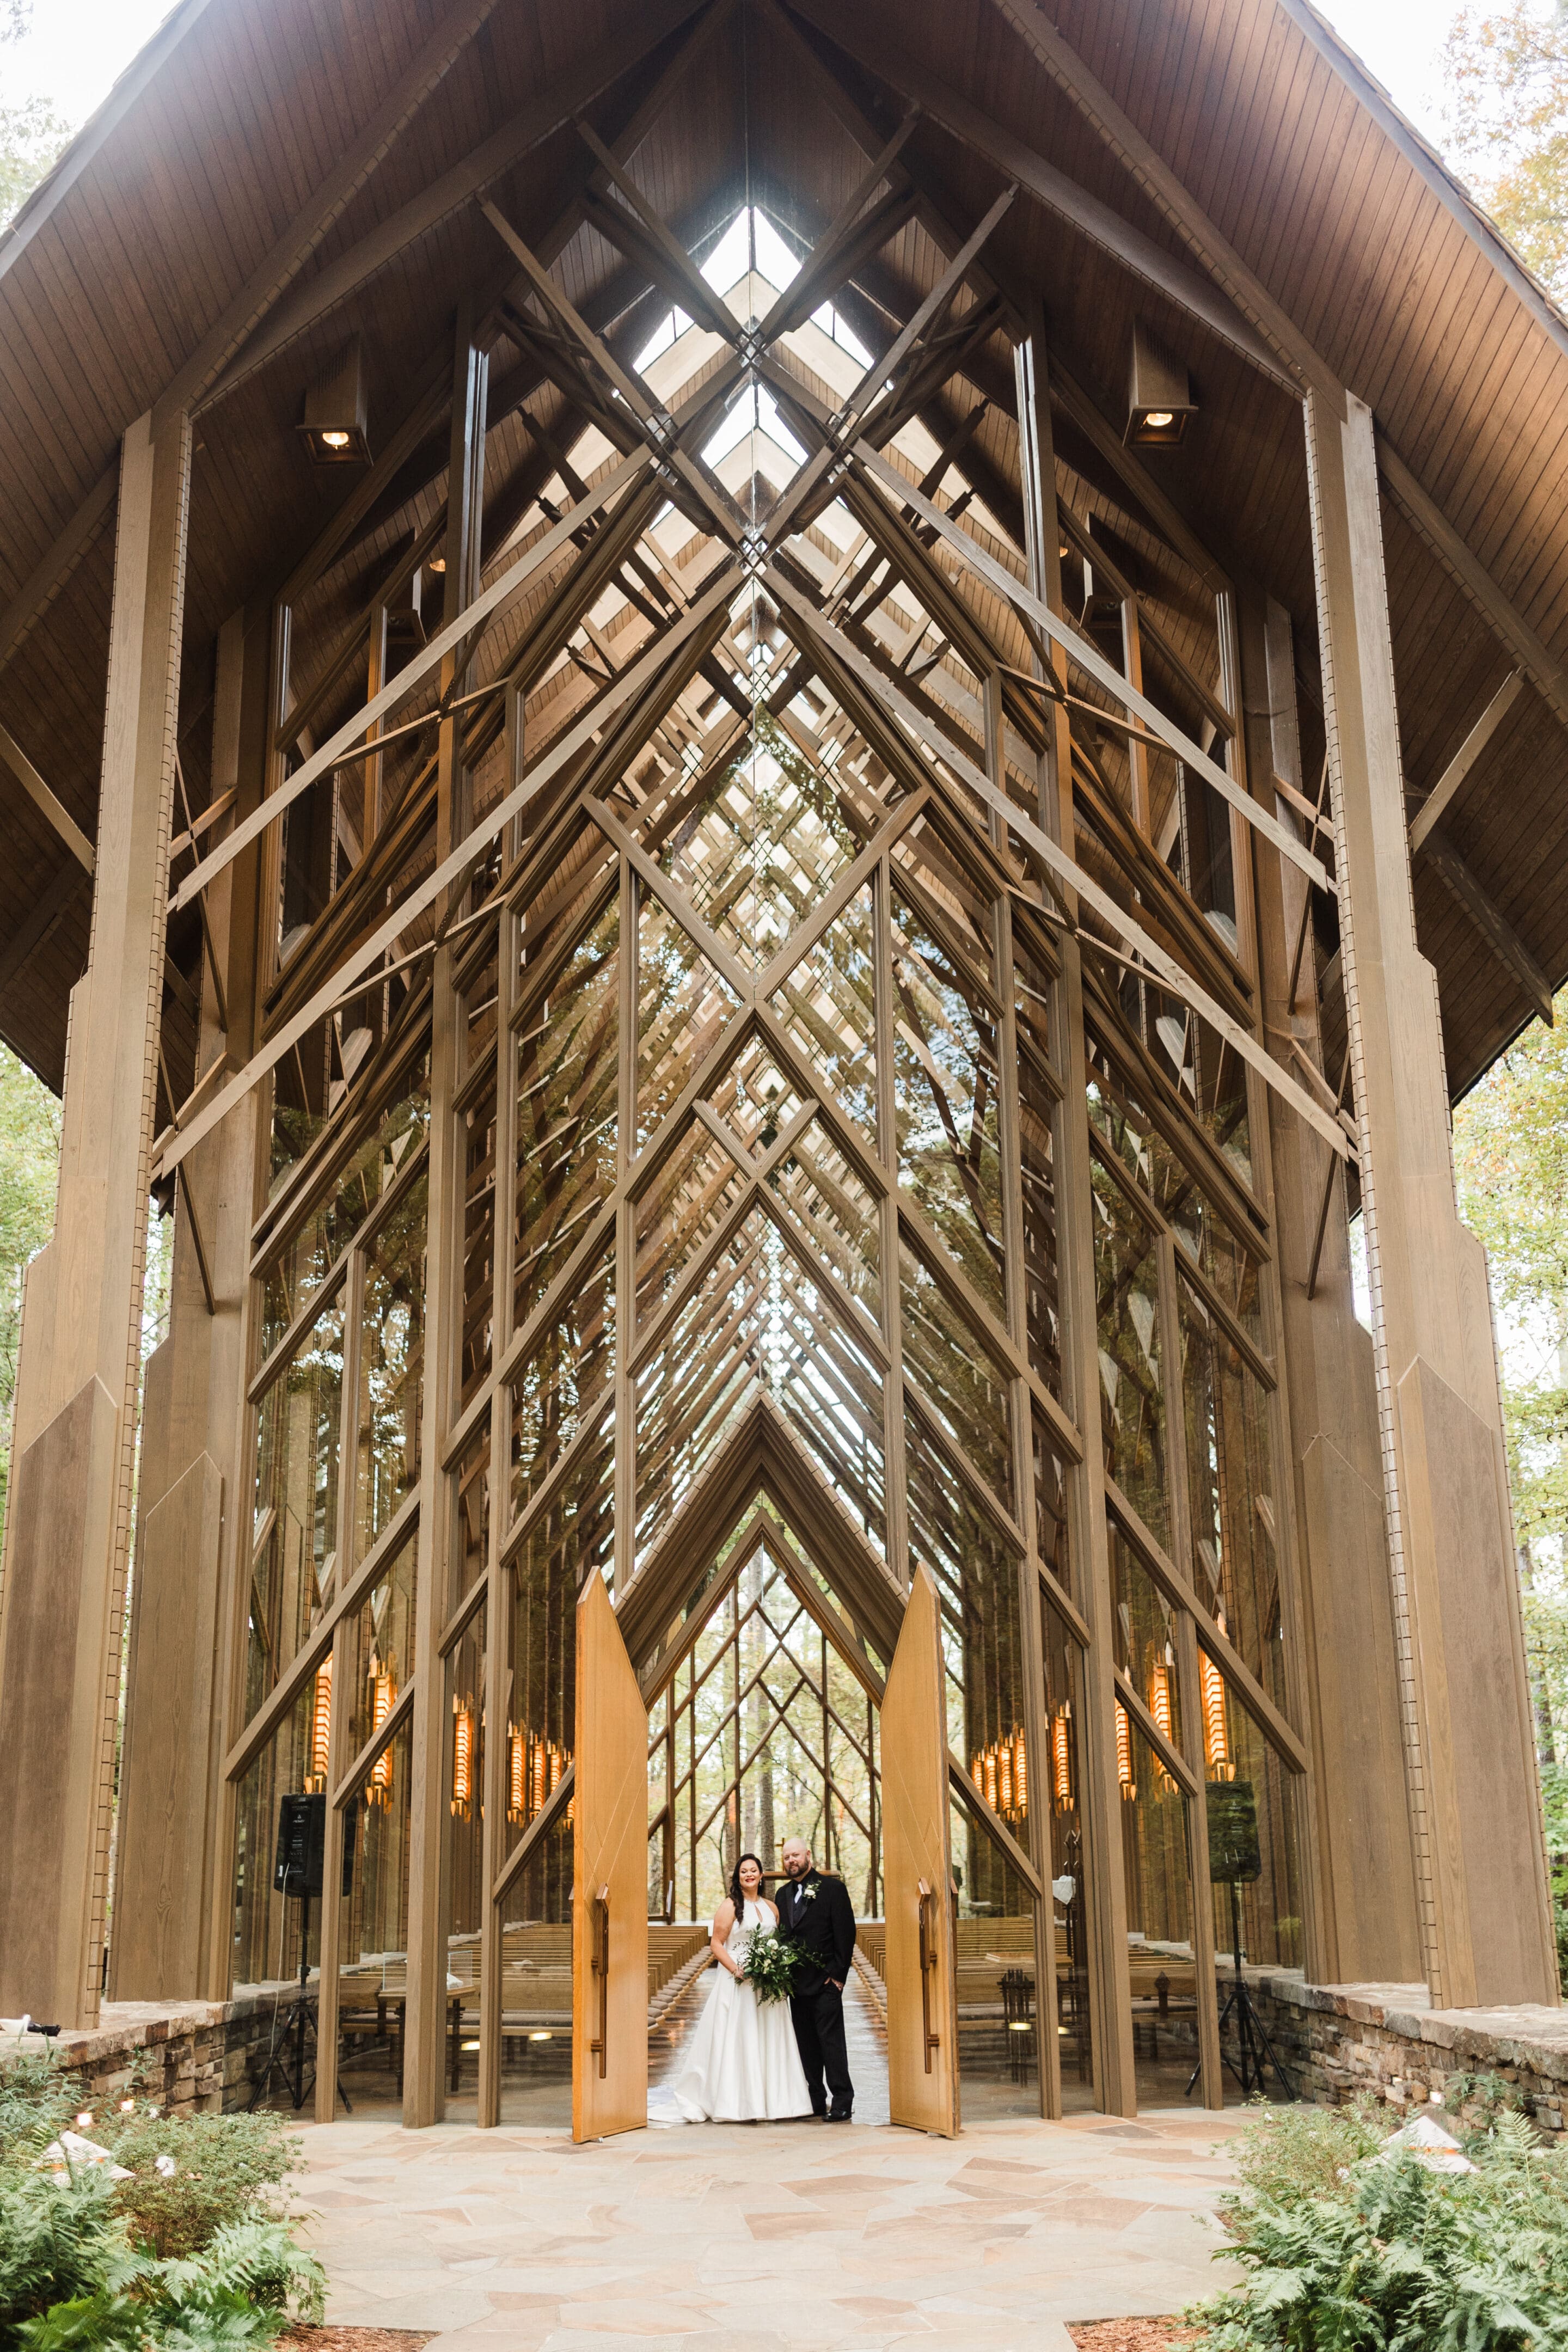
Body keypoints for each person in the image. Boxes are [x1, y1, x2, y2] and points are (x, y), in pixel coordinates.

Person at [668, 1852, 813, 2123]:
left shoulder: (772, 1907)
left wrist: (776, 1964)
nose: (749, 1874)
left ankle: (778, 2103)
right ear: (738, 1877)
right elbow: (716, 1944)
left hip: (768, 1983)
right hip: (739, 1981)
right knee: (742, 2037)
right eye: (743, 1871)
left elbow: (776, 1940)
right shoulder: (730, 1906)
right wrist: (736, 1969)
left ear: (761, 1876)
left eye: (753, 1870)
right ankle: (740, 2103)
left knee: (770, 2037)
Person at [774, 1834, 856, 2121]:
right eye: (786, 1857)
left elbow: (846, 1935)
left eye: (795, 1855)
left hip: (825, 1983)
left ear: (808, 1855)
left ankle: (843, 2100)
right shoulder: (782, 1895)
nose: (791, 1861)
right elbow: (782, 1936)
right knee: (805, 2046)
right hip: (796, 1985)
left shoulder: (833, 1889)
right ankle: (815, 2100)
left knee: (831, 2044)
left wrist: (837, 1977)